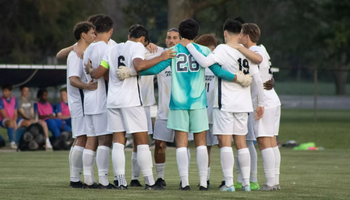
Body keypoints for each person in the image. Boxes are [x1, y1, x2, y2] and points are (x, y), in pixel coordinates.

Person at [119, 19, 252, 190]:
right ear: (196, 34)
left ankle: (185, 183)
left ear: (180, 34)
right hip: (198, 102)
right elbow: (217, 71)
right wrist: (237, 77)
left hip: (178, 102)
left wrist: (132, 71)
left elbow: (156, 69)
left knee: (181, 144)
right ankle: (203, 183)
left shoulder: (172, 50)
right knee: (201, 143)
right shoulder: (203, 49)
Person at [180, 19, 266, 192]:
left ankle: (229, 184)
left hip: (225, 103)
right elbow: (257, 79)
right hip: (243, 104)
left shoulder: (222, 49)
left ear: (225, 33)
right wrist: (261, 103)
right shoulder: (246, 52)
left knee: (225, 143)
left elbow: (204, 62)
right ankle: (247, 184)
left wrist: (189, 46)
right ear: (241, 33)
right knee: (241, 143)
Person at [85, 24, 175, 190]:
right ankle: (150, 182)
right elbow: (139, 66)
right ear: (142, 39)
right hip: (131, 101)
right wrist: (162, 57)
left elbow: (98, 74)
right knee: (142, 141)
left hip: (112, 101)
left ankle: (121, 181)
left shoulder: (112, 49)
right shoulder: (137, 47)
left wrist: (90, 69)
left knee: (118, 142)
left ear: (129, 36)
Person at [236, 23, 281, 191]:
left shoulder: (255, 52)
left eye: (240, 35)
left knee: (264, 141)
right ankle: (274, 181)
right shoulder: (262, 47)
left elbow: (258, 61)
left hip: (264, 100)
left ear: (247, 37)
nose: (239, 38)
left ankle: (270, 183)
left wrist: (237, 46)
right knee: (271, 141)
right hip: (272, 98)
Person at [82, 15, 115, 189]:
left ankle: (88, 179)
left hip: (89, 99)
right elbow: (106, 74)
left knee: (90, 139)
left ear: (94, 30)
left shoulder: (88, 49)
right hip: (102, 98)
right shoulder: (107, 48)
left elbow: (88, 69)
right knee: (104, 140)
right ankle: (103, 180)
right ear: (110, 31)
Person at [66, 21, 97, 188]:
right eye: (92, 32)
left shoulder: (83, 52)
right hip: (79, 102)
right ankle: (75, 180)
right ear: (83, 35)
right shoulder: (76, 55)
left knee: (81, 137)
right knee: (82, 137)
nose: (94, 35)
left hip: (81, 101)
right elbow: (73, 80)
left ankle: (76, 178)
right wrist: (87, 86)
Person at [193, 33, 219, 188]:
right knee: (205, 147)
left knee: (224, 145)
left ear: (212, 49)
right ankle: (206, 179)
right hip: (202, 111)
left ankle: (226, 178)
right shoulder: (198, 64)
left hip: (217, 112)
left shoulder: (218, 63)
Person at [0, 84, 31, 149]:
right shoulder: (1, 100)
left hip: (13, 119)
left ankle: (24, 140)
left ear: (10, 91)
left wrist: (14, 121)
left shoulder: (14, 99)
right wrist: (13, 122)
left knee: (28, 123)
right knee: (10, 123)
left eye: (6, 91)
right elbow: (4, 115)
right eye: (3, 91)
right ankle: (12, 142)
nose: (4, 93)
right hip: (3, 120)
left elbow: (15, 113)